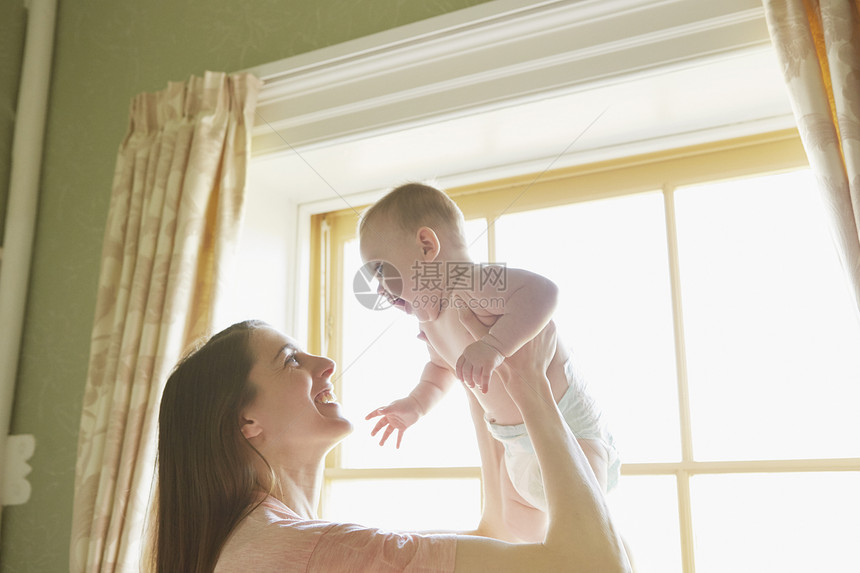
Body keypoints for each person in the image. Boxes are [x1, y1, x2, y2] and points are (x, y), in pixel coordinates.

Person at [151, 317, 631, 572]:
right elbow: (596, 569)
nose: (325, 363)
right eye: (290, 359)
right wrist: (532, 391)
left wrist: (474, 381)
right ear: (245, 420)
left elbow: (501, 535)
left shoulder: (267, 545)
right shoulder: (305, 551)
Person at [359, 182, 620, 540]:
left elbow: (543, 293)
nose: (379, 289)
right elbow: (440, 371)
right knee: (517, 544)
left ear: (426, 246)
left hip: (570, 433)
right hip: (514, 447)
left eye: (380, 271)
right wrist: (415, 405)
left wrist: (494, 345)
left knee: (586, 534)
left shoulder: (469, 281)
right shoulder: (430, 323)